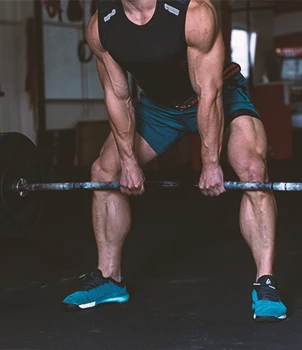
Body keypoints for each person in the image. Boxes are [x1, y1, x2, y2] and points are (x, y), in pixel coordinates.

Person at [62, 0, 287, 323]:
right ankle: (110, 278)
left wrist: (210, 163)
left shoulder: (194, 13)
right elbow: (118, 94)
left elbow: (209, 92)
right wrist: (128, 161)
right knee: (104, 170)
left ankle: (265, 282)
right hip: (159, 109)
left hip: (220, 95)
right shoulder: (103, 26)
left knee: (253, 169)